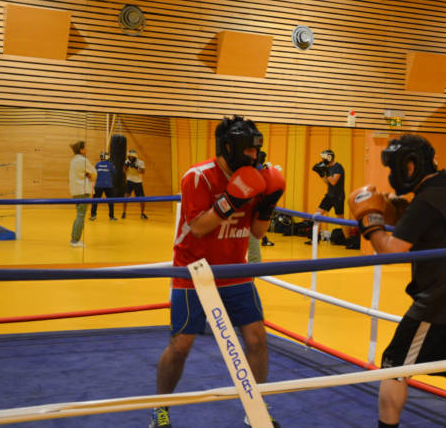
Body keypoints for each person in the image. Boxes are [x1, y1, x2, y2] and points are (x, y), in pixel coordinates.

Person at [347, 134, 446, 428]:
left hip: (442, 304)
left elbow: (391, 251)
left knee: (394, 368)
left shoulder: (427, 201)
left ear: (411, 166)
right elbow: (428, 225)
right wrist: (393, 209)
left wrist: (369, 220)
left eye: (395, 167)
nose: (392, 174)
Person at [151, 116, 285, 428]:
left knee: (257, 340)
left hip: (235, 271)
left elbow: (258, 232)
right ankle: (160, 408)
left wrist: (268, 203)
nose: (254, 155)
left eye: (256, 149)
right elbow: (199, 227)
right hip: (193, 272)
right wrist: (233, 198)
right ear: (228, 147)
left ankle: (256, 408)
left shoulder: (254, 176)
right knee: (180, 346)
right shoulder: (198, 177)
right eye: (248, 149)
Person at [308, 149, 345, 245]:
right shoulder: (328, 167)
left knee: (341, 220)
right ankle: (315, 239)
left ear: (329, 158)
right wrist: (321, 174)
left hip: (338, 197)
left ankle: (348, 239)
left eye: (323, 158)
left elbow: (334, 181)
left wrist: (326, 172)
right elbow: (327, 182)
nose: (322, 160)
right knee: (317, 215)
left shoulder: (338, 167)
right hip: (329, 195)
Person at [68, 141, 97, 248]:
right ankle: (75, 240)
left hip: (75, 191)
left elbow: (83, 173)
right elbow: (94, 173)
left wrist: (87, 173)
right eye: (85, 148)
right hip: (83, 191)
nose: (86, 150)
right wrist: (89, 174)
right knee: (81, 215)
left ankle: (74, 239)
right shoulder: (83, 160)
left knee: (79, 215)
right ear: (81, 150)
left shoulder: (73, 160)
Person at [89, 151, 117, 221]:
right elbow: (114, 173)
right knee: (110, 201)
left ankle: (93, 215)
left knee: (95, 200)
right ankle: (111, 216)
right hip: (108, 185)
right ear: (106, 157)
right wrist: (113, 167)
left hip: (98, 185)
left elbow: (94, 173)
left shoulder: (97, 164)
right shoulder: (110, 164)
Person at [121, 149, 147, 220]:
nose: (131, 157)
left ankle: (142, 213)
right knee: (126, 197)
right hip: (129, 181)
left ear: (135, 156)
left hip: (138, 182)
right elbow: (124, 171)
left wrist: (137, 167)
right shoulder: (127, 161)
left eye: (132, 156)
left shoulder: (140, 162)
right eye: (130, 156)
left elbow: (143, 172)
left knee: (142, 199)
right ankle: (124, 212)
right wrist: (125, 166)